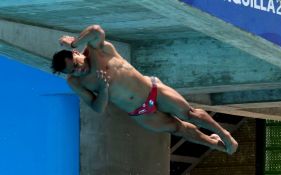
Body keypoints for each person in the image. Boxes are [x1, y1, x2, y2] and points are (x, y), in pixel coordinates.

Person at [51, 25, 238, 154]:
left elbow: (96, 30)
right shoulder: (75, 83)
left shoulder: (98, 50)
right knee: (178, 129)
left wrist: (74, 42)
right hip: (141, 113)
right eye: (73, 71)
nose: (79, 70)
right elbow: (97, 108)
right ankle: (217, 145)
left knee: (189, 114)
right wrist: (104, 90)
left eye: (76, 64)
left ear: (76, 53)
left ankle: (225, 135)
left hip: (153, 90)